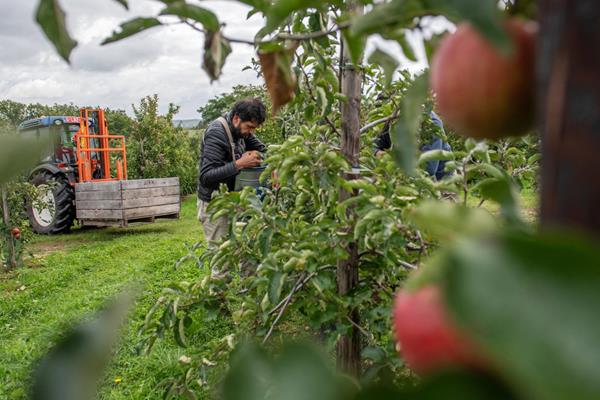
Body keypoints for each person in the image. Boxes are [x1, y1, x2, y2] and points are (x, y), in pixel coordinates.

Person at [197, 98, 267, 246]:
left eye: (254, 128)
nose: (251, 132)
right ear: (236, 118)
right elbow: (206, 176)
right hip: (215, 204)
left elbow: (263, 149)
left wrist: (273, 166)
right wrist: (239, 164)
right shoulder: (217, 133)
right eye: (249, 127)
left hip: (236, 200)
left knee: (247, 253)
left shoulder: (242, 132)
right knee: (223, 260)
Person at [374, 111, 452, 180]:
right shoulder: (395, 119)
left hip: (441, 182)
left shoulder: (432, 123)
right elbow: (374, 145)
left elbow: (429, 168)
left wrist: (390, 159)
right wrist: (377, 152)